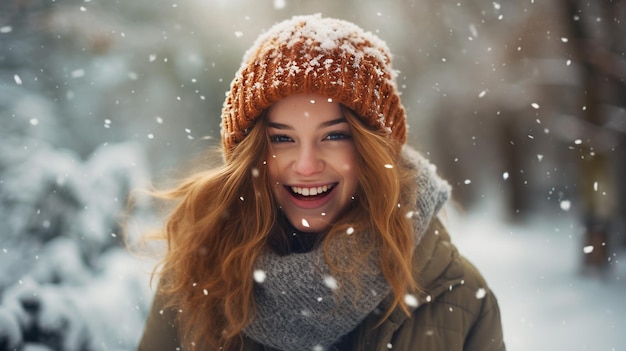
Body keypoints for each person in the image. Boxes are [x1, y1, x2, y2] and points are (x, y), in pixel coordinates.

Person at [137, 13, 505, 351]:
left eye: (334, 136)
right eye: (282, 139)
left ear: (373, 150)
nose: (307, 165)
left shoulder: (456, 295)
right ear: (250, 154)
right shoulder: (196, 278)